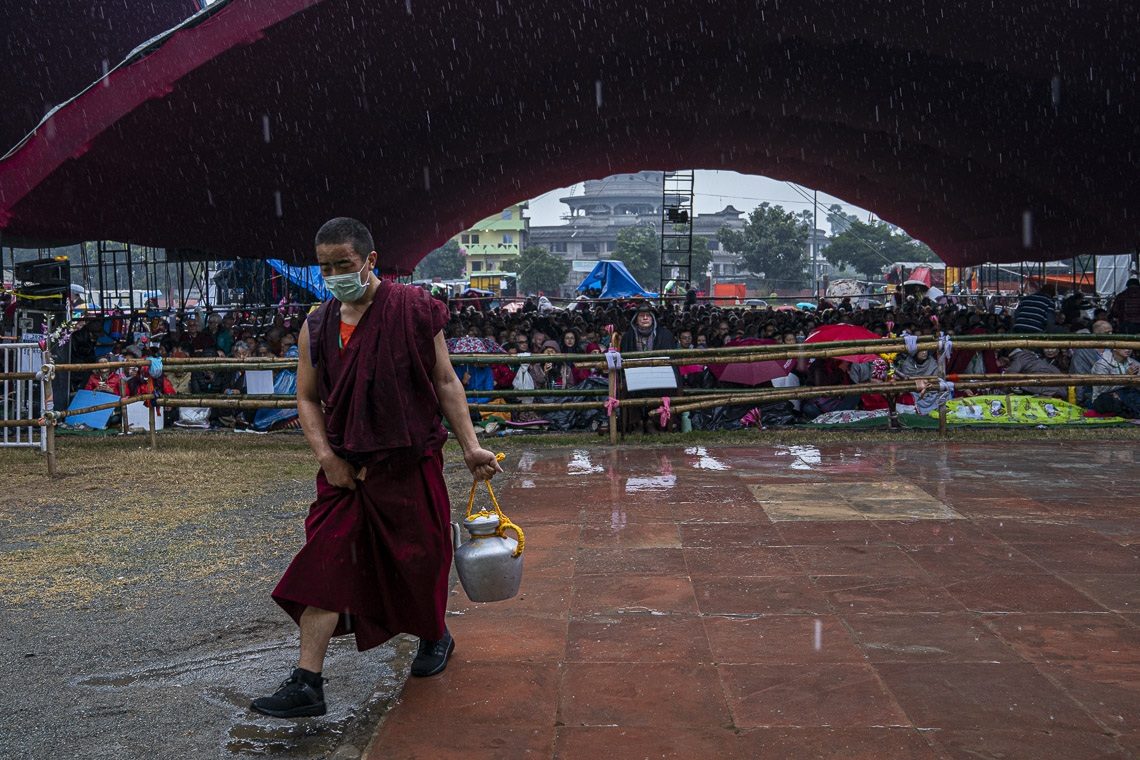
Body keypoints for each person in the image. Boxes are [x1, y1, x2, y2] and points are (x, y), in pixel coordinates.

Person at [251, 217, 500, 719]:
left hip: (408, 461)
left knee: (421, 558)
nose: (335, 274)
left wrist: (471, 445)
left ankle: (434, 634)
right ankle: (308, 682)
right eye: (325, 267)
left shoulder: (411, 311)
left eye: (344, 264)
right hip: (346, 470)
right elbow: (305, 397)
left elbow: (446, 381)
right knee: (325, 561)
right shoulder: (317, 325)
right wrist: (328, 458)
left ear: (370, 259)